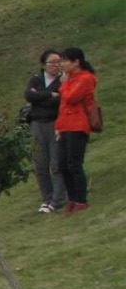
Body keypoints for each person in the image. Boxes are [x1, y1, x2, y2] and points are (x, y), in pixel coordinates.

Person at [54, 46, 99, 214]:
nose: (62, 64)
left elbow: (71, 97)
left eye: (65, 61)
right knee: (62, 165)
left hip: (78, 125)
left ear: (76, 62)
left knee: (74, 164)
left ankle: (81, 200)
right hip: (65, 125)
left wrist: (64, 85)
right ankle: (72, 199)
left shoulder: (85, 78)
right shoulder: (71, 79)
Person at [26, 49, 67, 212]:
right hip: (37, 124)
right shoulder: (36, 79)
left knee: (56, 163)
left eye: (59, 62)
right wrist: (51, 95)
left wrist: (42, 96)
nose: (57, 65)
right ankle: (47, 198)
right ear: (44, 65)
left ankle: (58, 199)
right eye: (53, 62)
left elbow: (59, 100)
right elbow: (29, 96)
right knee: (40, 164)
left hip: (55, 123)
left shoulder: (63, 80)